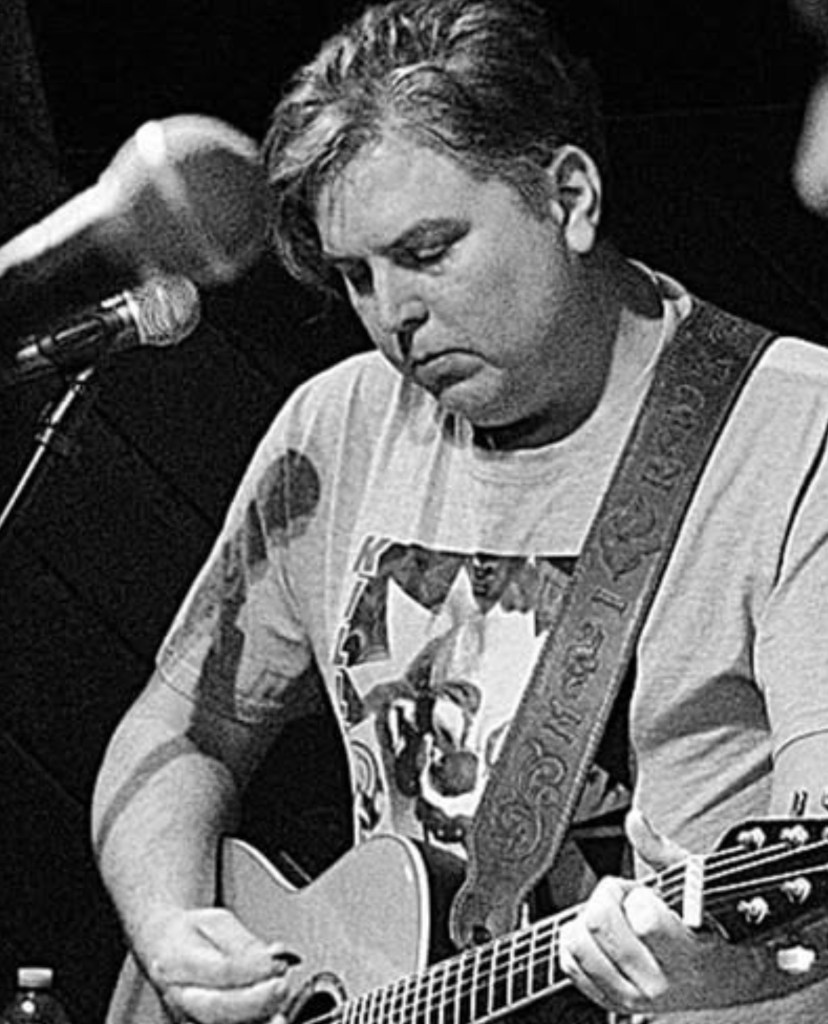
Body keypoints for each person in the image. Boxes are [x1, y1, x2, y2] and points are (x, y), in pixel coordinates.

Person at [91, 1, 828, 1022]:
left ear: (569, 197)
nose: (393, 314)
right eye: (358, 276)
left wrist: (731, 967)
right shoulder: (337, 425)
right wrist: (173, 930)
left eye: (429, 251)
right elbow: (175, 731)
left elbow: (816, 852)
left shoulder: (795, 429)